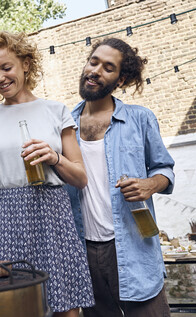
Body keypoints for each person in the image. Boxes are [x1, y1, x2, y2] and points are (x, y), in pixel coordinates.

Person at [0, 31, 94, 317]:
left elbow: (80, 177)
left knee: (65, 303)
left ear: (25, 64)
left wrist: (54, 157)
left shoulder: (56, 111)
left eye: (6, 67)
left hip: (51, 214)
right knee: (9, 305)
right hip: (4, 218)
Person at [66, 37, 175, 317]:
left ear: (121, 79)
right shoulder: (63, 125)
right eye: (93, 62)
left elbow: (164, 169)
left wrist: (150, 184)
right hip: (83, 249)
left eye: (108, 68)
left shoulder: (140, 119)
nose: (96, 71)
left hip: (132, 246)